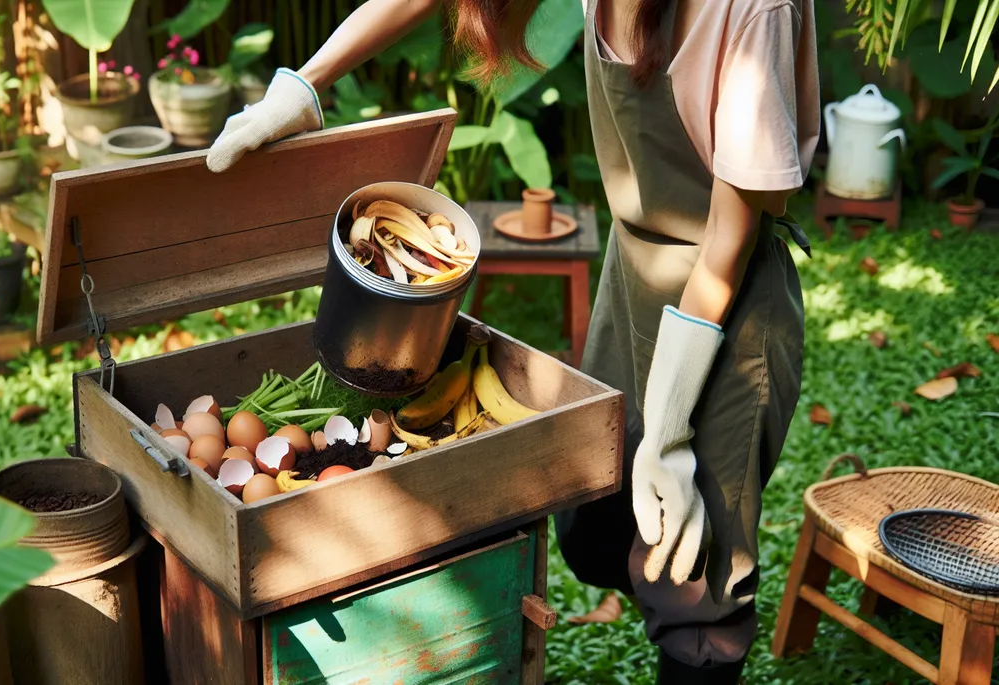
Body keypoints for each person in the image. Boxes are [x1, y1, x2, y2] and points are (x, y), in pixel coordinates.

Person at [208, 0, 818, 681]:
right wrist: (304, 84)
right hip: (635, 273)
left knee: (691, 569)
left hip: (725, 307)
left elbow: (725, 247)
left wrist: (672, 426)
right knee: (598, 531)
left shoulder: (750, 11)